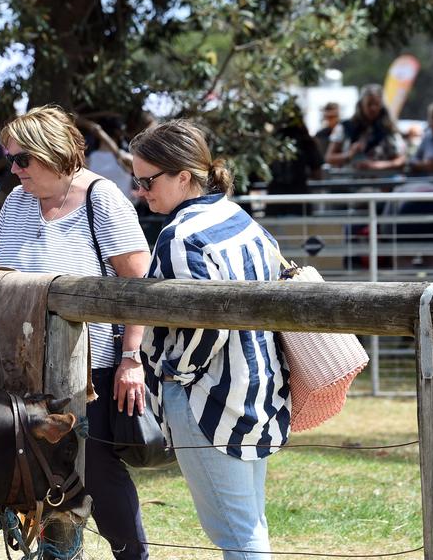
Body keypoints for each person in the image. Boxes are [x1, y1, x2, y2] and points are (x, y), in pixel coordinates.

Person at [0, 105, 151, 560]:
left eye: (23, 160)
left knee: (95, 470)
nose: (14, 170)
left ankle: (131, 557)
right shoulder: (16, 201)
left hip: (92, 370)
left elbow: (138, 286)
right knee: (35, 469)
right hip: (22, 367)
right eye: (10, 160)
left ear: (54, 154)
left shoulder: (103, 199)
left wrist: (131, 358)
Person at [129, 120, 289, 559]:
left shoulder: (180, 236)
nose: (141, 191)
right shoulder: (236, 216)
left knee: (237, 535)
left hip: (209, 399)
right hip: (260, 387)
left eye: (147, 180)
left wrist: (173, 373)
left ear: (183, 176)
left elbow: (208, 322)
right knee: (250, 524)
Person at [325, 84, 406, 171]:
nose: (373, 108)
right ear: (361, 105)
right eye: (369, 104)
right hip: (350, 180)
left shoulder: (387, 128)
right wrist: (349, 154)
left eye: (376, 104)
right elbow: (329, 158)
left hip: (380, 180)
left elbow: (401, 160)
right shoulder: (345, 127)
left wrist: (377, 165)